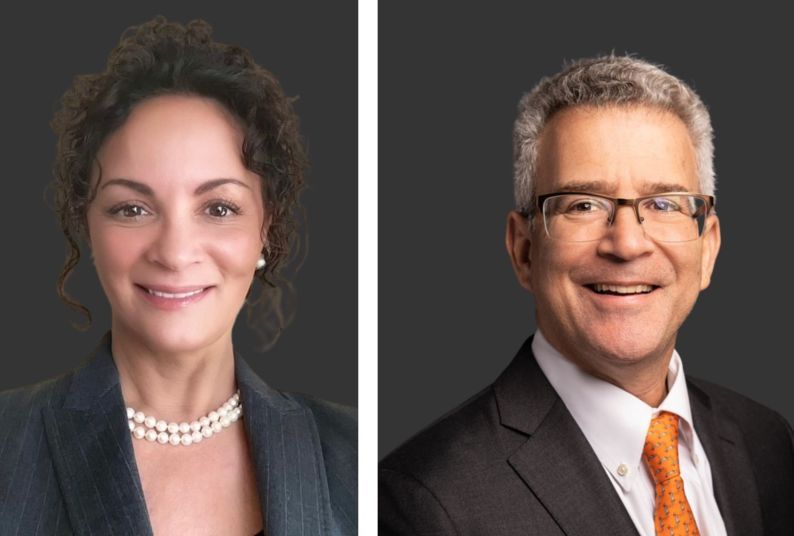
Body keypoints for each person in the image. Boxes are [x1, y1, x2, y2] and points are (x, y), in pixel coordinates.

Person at [379, 55, 793, 535]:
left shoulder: (769, 443)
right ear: (524, 250)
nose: (627, 243)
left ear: (707, 250)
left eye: (663, 204)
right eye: (583, 204)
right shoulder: (424, 502)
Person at [0, 17, 356, 536]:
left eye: (217, 208)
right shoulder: (7, 442)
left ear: (266, 229)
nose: (174, 251)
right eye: (132, 209)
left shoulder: (359, 455)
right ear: (88, 225)